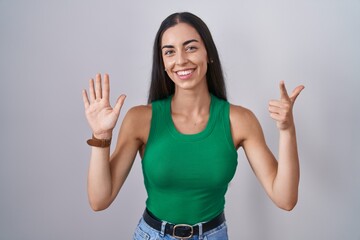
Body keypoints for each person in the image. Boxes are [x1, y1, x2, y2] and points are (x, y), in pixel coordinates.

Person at [82, 12, 304, 240]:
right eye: (169, 52)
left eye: (190, 48)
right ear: (163, 63)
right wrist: (100, 135)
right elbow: (100, 200)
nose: (180, 60)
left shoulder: (239, 120)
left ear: (208, 53)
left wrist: (287, 131)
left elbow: (285, 199)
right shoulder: (140, 119)